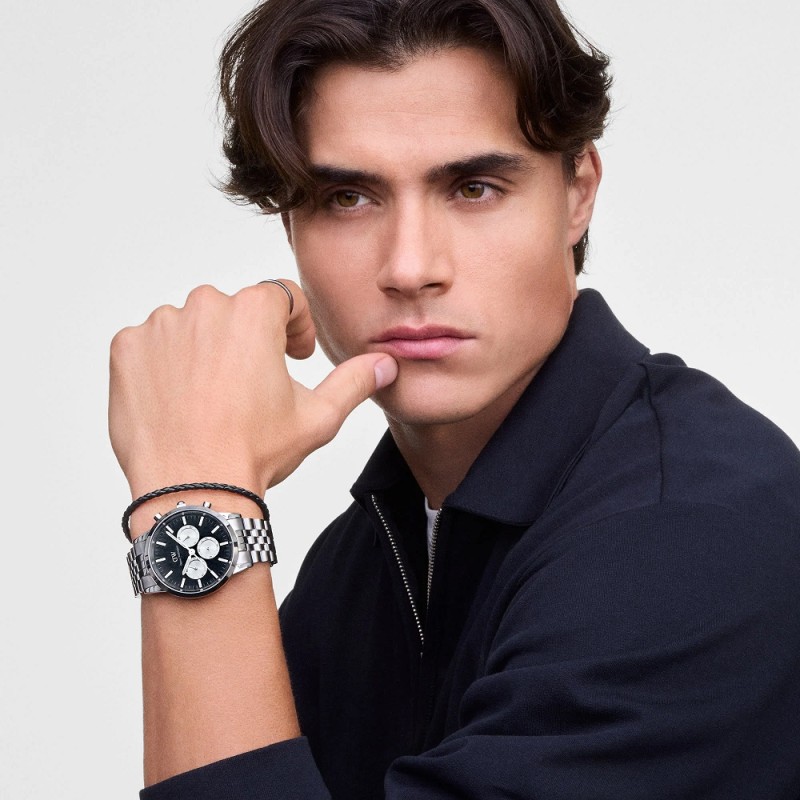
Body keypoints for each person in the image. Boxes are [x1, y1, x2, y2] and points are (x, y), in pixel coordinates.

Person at [108, 0, 800, 797]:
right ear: (289, 226)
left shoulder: (690, 527)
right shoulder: (357, 567)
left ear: (577, 192)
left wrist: (194, 499)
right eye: (348, 199)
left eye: (473, 188)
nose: (410, 267)